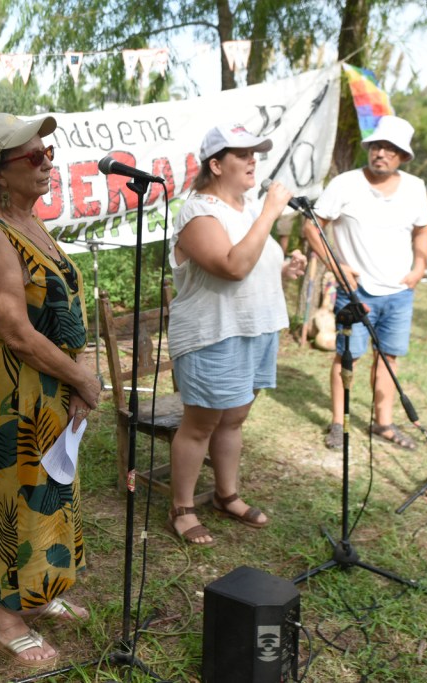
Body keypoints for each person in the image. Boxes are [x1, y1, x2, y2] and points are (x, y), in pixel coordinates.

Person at [0, 113, 102, 668]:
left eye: (49, 153)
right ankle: (6, 618)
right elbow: (17, 333)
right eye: (33, 156)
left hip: (54, 382)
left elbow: (65, 312)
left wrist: (77, 372)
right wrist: (82, 377)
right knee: (17, 497)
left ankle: (39, 592)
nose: (47, 163)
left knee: (53, 489)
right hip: (16, 388)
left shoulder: (34, 225)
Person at [166, 123, 306, 547]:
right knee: (200, 425)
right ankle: (182, 508)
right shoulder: (198, 212)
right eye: (242, 154)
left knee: (234, 419)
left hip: (256, 329)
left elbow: (252, 261)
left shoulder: (248, 208)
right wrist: (270, 212)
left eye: (254, 153)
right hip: (214, 335)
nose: (252, 161)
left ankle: (226, 495)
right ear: (215, 164)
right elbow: (231, 266)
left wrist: (283, 269)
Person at [303, 115, 427, 451]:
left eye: (390, 149)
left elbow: (422, 230)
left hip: (400, 292)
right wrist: (337, 266)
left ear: (403, 156)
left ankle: (383, 423)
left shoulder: (415, 187)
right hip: (356, 291)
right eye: (377, 146)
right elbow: (312, 227)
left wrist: (420, 267)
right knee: (348, 357)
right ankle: (338, 423)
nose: (381, 153)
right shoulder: (345, 184)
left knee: (389, 357)